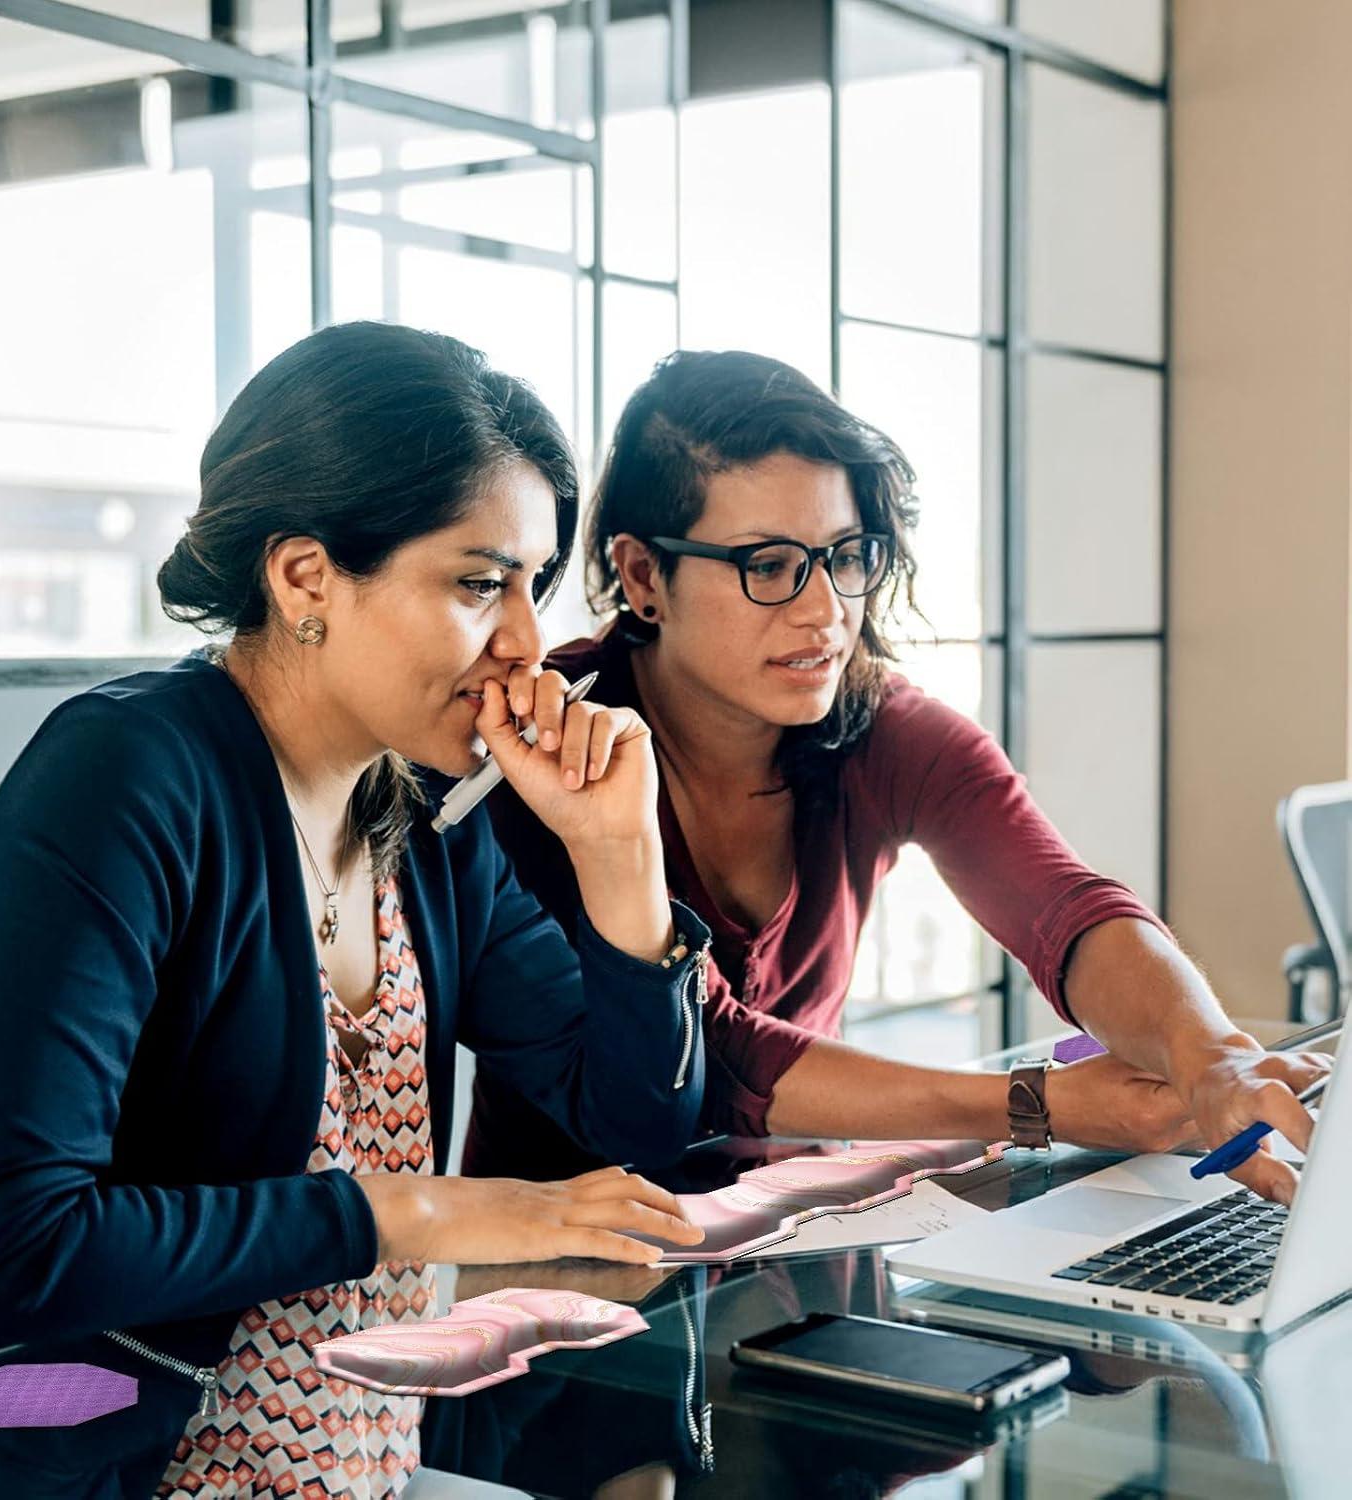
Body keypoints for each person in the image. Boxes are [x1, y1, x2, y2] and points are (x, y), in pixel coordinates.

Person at [0, 323, 712, 1494]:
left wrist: (620, 855)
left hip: (366, 1472)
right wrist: (406, 1212)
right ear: (305, 577)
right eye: (478, 584)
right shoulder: (125, 778)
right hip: (106, 1471)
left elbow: (638, 1120)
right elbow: (1, 1254)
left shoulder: (424, 813)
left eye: (536, 584)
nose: (526, 644)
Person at [467, 349, 1330, 1203]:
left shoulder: (879, 724)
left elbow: (1065, 908)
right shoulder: (547, 747)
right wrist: (1037, 1105)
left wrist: (1209, 1054)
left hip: (806, 1228)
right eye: (768, 566)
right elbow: (714, 1057)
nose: (825, 611)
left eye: (846, 556)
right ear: (643, 574)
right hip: (566, 1254)